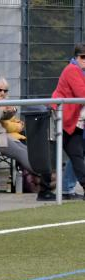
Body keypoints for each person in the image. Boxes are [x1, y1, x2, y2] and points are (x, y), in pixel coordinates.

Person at [0, 77, 54, 200]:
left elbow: (10, 121)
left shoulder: (4, 101)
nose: (2, 93)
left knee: (25, 149)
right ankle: (45, 175)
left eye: (5, 90)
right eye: (0, 90)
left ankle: (44, 173)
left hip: (5, 134)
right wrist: (3, 112)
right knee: (20, 151)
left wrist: (12, 110)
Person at [52, 43, 85, 201]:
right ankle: (58, 188)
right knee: (76, 155)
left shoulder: (79, 70)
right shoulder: (72, 70)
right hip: (65, 121)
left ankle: (66, 188)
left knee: (76, 155)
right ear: (76, 57)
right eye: (83, 57)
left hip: (74, 121)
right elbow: (82, 93)